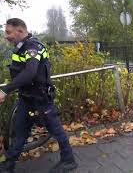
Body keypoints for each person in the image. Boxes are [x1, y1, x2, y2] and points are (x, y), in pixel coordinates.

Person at [0, 18, 78, 173]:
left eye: (8, 32)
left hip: (41, 99)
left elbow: (30, 72)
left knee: (56, 130)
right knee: (19, 130)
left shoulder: (33, 46)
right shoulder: (20, 48)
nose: (6, 36)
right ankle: (9, 165)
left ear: (20, 31)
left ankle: (69, 161)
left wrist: (5, 90)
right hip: (26, 99)